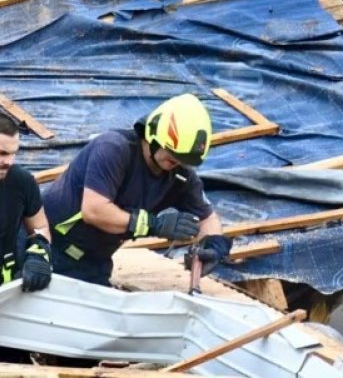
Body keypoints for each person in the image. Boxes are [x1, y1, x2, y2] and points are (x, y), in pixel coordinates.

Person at [43, 94, 232, 287]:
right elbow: (94, 210)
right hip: (43, 247)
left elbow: (207, 219)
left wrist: (213, 246)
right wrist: (153, 225)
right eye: (172, 154)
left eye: (183, 158)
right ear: (153, 135)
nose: (177, 162)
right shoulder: (114, 149)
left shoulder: (180, 175)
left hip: (91, 263)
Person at [0, 112, 52, 293]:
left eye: (12, 153)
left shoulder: (21, 181)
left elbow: (40, 228)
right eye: (1, 153)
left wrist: (39, 253)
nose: (7, 161)